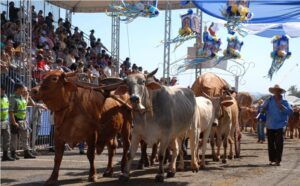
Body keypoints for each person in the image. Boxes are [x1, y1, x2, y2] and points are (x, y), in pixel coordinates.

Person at [261, 84, 292, 166]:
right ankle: (272, 159)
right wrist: (263, 109)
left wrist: (280, 105)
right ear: (273, 92)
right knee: (270, 143)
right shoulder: (268, 100)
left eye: (277, 91)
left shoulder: (284, 101)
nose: (276, 92)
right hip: (270, 124)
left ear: (280, 92)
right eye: (275, 91)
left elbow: (289, 112)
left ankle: (278, 160)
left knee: (279, 143)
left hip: (280, 125)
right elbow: (261, 109)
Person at [9, 83, 37, 159]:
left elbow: (27, 103)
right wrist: (14, 122)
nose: (24, 91)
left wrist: (28, 95)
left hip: (23, 121)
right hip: (16, 120)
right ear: (18, 89)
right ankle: (13, 153)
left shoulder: (22, 98)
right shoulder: (13, 98)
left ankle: (26, 153)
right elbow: (11, 111)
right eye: (22, 89)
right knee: (14, 138)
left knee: (25, 137)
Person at [1, 84, 15, 161]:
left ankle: (5, 155)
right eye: (1, 90)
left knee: (7, 138)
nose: (2, 91)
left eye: (3, 90)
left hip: (5, 121)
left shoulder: (6, 97)